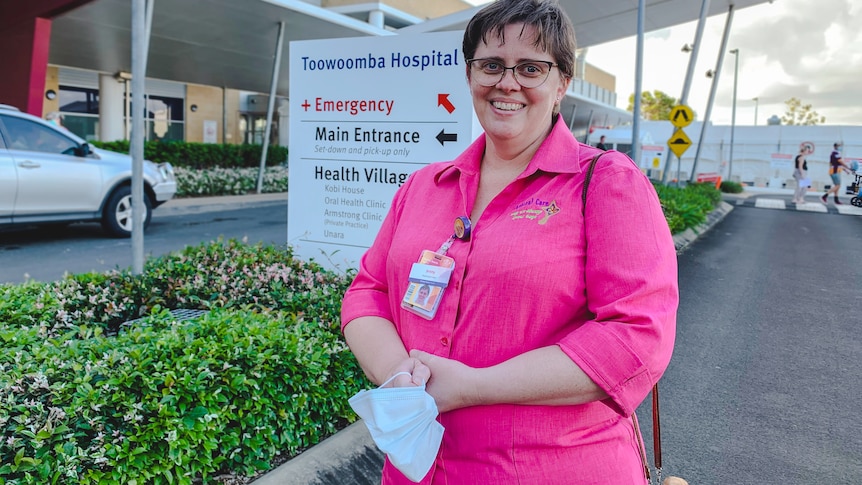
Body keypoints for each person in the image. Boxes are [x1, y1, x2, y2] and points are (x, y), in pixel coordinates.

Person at [340, 1, 678, 483]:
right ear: (469, 73)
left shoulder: (606, 184)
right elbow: (368, 291)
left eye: (531, 68)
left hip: (551, 468)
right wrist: (398, 375)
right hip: (416, 465)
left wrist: (474, 387)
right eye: (491, 65)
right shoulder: (422, 186)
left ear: (562, 83)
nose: (507, 82)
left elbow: (636, 335)